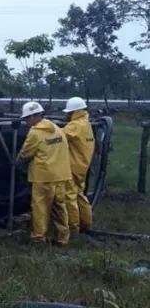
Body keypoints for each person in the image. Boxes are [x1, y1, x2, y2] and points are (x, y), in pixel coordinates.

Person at [18, 101, 72, 246]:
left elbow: (26, 153)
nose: (26, 122)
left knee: (40, 208)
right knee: (59, 207)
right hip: (61, 175)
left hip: (43, 177)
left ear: (34, 116)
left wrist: (18, 161)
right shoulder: (56, 128)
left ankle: (38, 239)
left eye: (27, 119)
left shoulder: (35, 133)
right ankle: (62, 238)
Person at [63, 97, 95, 233]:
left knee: (69, 196)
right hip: (82, 166)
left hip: (72, 166)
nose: (67, 115)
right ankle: (86, 223)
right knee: (80, 195)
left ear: (74, 112)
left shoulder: (75, 125)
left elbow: (58, 135)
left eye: (69, 113)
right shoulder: (86, 123)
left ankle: (73, 227)